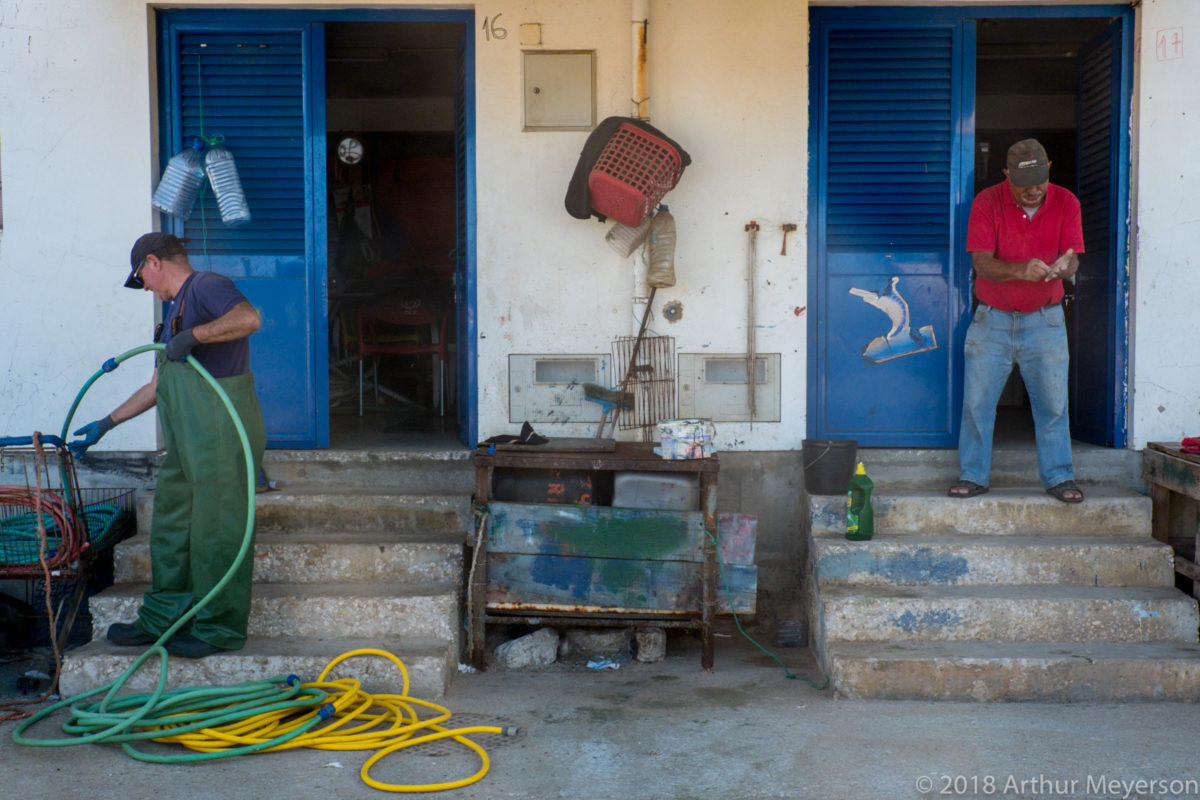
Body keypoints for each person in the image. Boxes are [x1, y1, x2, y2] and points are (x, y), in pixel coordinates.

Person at [71, 232, 266, 657]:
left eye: (141, 277)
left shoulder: (207, 286)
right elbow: (158, 386)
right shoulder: (171, 310)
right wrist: (107, 422)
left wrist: (195, 335)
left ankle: (218, 628)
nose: (144, 287)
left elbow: (249, 319)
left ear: (153, 262)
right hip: (187, 438)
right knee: (173, 524)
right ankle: (163, 617)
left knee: (217, 530)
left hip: (219, 430)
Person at [950, 139, 1085, 504]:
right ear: (1007, 174)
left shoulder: (1066, 202)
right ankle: (973, 475)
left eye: (1040, 180)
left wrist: (1064, 266)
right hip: (991, 320)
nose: (1033, 190)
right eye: (1024, 184)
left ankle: (1059, 477)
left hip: (1046, 321)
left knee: (1053, 405)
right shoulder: (987, 202)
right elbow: (982, 263)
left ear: (1049, 168)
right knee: (977, 403)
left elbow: (1073, 257)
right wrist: (1020, 271)